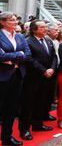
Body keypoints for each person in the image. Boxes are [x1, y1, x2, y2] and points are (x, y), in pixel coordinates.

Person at [19, 20, 56, 141]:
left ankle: (38, 124)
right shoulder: (28, 41)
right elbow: (29, 59)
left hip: (46, 77)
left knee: (41, 102)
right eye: (42, 27)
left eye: (45, 27)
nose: (45, 29)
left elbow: (53, 56)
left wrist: (52, 68)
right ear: (34, 29)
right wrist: (44, 70)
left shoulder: (48, 40)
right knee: (28, 105)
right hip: (33, 78)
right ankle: (24, 130)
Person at [0, 12, 31, 146]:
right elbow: (0, 57)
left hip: (17, 75)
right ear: (3, 22)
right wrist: (19, 54)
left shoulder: (20, 36)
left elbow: (28, 54)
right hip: (2, 77)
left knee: (11, 108)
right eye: (11, 20)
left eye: (16, 20)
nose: (15, 22)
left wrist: (10, 57)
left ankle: (7, 137)